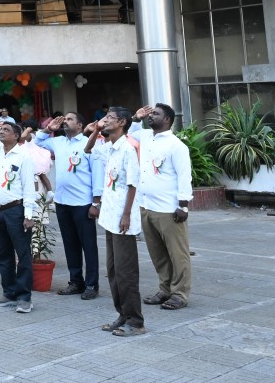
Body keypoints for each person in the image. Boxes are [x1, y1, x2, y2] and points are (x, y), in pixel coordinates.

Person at [87, 107, 145, 336]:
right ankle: (122, 313)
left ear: (121, 122)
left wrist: (127, 214)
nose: (105, 121)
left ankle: (135, 321)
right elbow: (88, 149)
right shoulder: (110, 147)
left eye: (110, 118)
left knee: (126, 271)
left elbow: (133, 183)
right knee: (112, 270)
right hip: (110, 216)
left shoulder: (128, 149)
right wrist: (95, 130)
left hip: (123, 216)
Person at [131, 103, 193, 310]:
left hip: (168, 209)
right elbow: (129, 134)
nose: (150, 116)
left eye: (155, 114)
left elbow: (185, 176)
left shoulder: (177, 146)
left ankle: (180, 293)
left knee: (177, 254)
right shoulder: (146, 136)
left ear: (167, 119)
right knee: (158, 254)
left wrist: (183, 206)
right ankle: (165, 289)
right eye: (150, 114)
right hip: (147, 206)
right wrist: (136, 117)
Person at [36, 113, 104, 299]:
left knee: (88, 246)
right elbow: (35, 142)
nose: (65, 121)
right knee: (70, 245)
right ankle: (76, 282)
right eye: (64, 119)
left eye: (70, 119)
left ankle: (92, 284)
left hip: (83, 203)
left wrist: (96, 203)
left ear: (80, 125)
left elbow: (98, 174)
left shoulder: (90, 143)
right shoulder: (58, 142)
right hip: (63, 202)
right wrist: (48, 129)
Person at [0, 121, 39, 314]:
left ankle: (24, 297)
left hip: (16, 210)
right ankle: (8, 293)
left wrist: (29, 215)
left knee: (22, 254)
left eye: (6, 130)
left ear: (17, 136)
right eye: (0, 130)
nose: (1, 132)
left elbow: (29, 188)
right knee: (3, 254)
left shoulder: (24, 156)